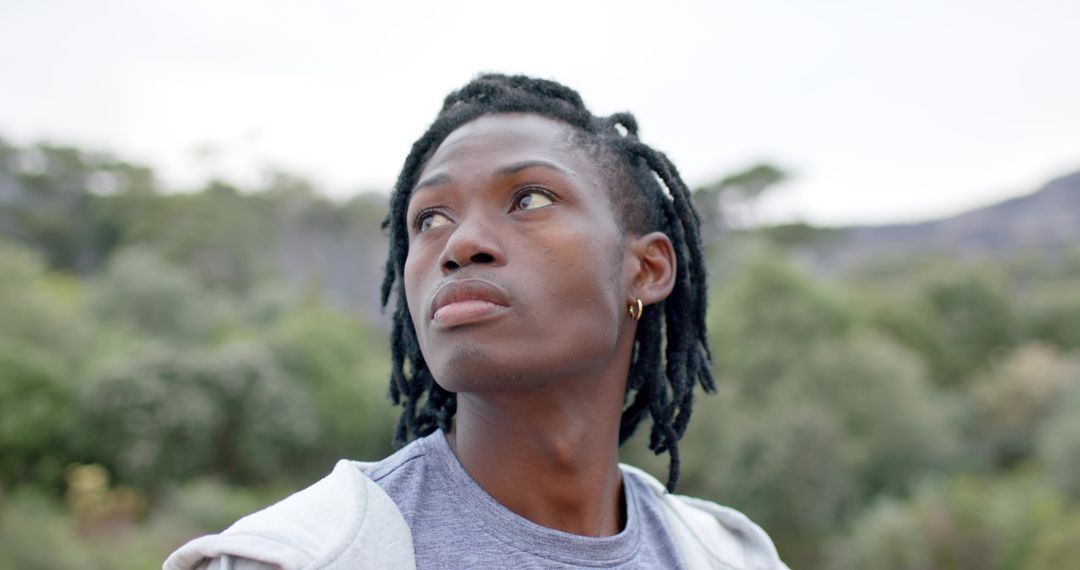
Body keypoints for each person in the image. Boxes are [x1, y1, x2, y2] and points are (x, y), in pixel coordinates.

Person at [165, 74, 789, 570]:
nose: (459, 244)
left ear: (648, 269)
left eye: (530, 199)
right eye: (429, 218)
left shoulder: (729, 556)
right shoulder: (299, 558)